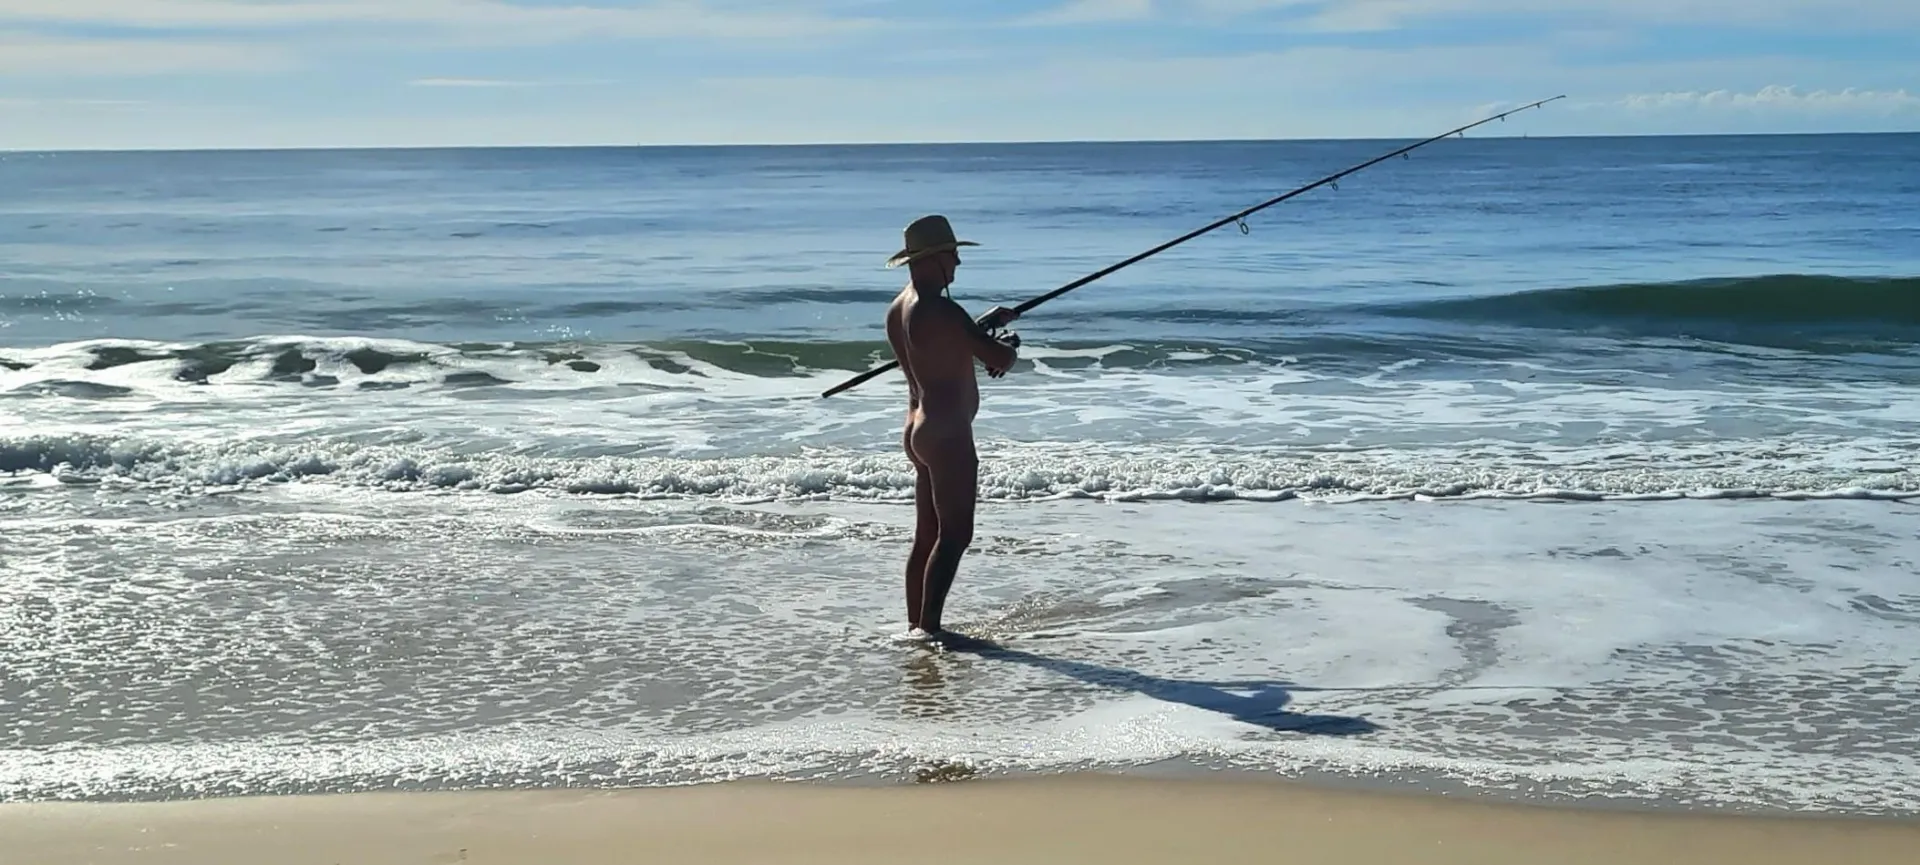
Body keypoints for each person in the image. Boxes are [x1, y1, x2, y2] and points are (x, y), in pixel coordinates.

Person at [882, 214, 1022, 640]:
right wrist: (1009, 347)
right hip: (947, 434)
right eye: (953, 255)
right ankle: (930, 632)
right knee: (956, 535)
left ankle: (915, 626)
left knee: (927, 537)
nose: (959, 263)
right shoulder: (941, 308)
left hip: (918, 428)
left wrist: (982, 325)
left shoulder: (901, 307)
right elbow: (997, 359)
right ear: (935, 259)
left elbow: (943, 344)